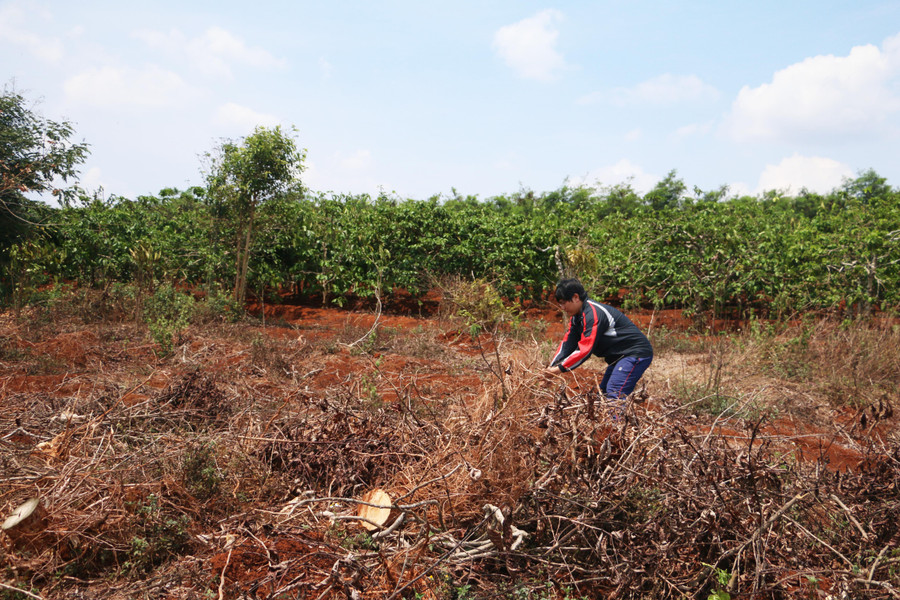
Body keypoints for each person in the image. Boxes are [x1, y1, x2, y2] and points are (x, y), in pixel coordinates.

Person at [545, 278, 653, 404]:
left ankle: (617, 423)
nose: (562, 308)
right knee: (602, 394)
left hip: (634, 354)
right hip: (619, 358)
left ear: (575, 297)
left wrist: (558, 369)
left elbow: (585, 350)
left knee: (614, 393)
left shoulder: (593, 314)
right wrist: (550, 369)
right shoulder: (577, 318)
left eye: (564, 303)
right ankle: (614, 422)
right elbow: (567, 344)